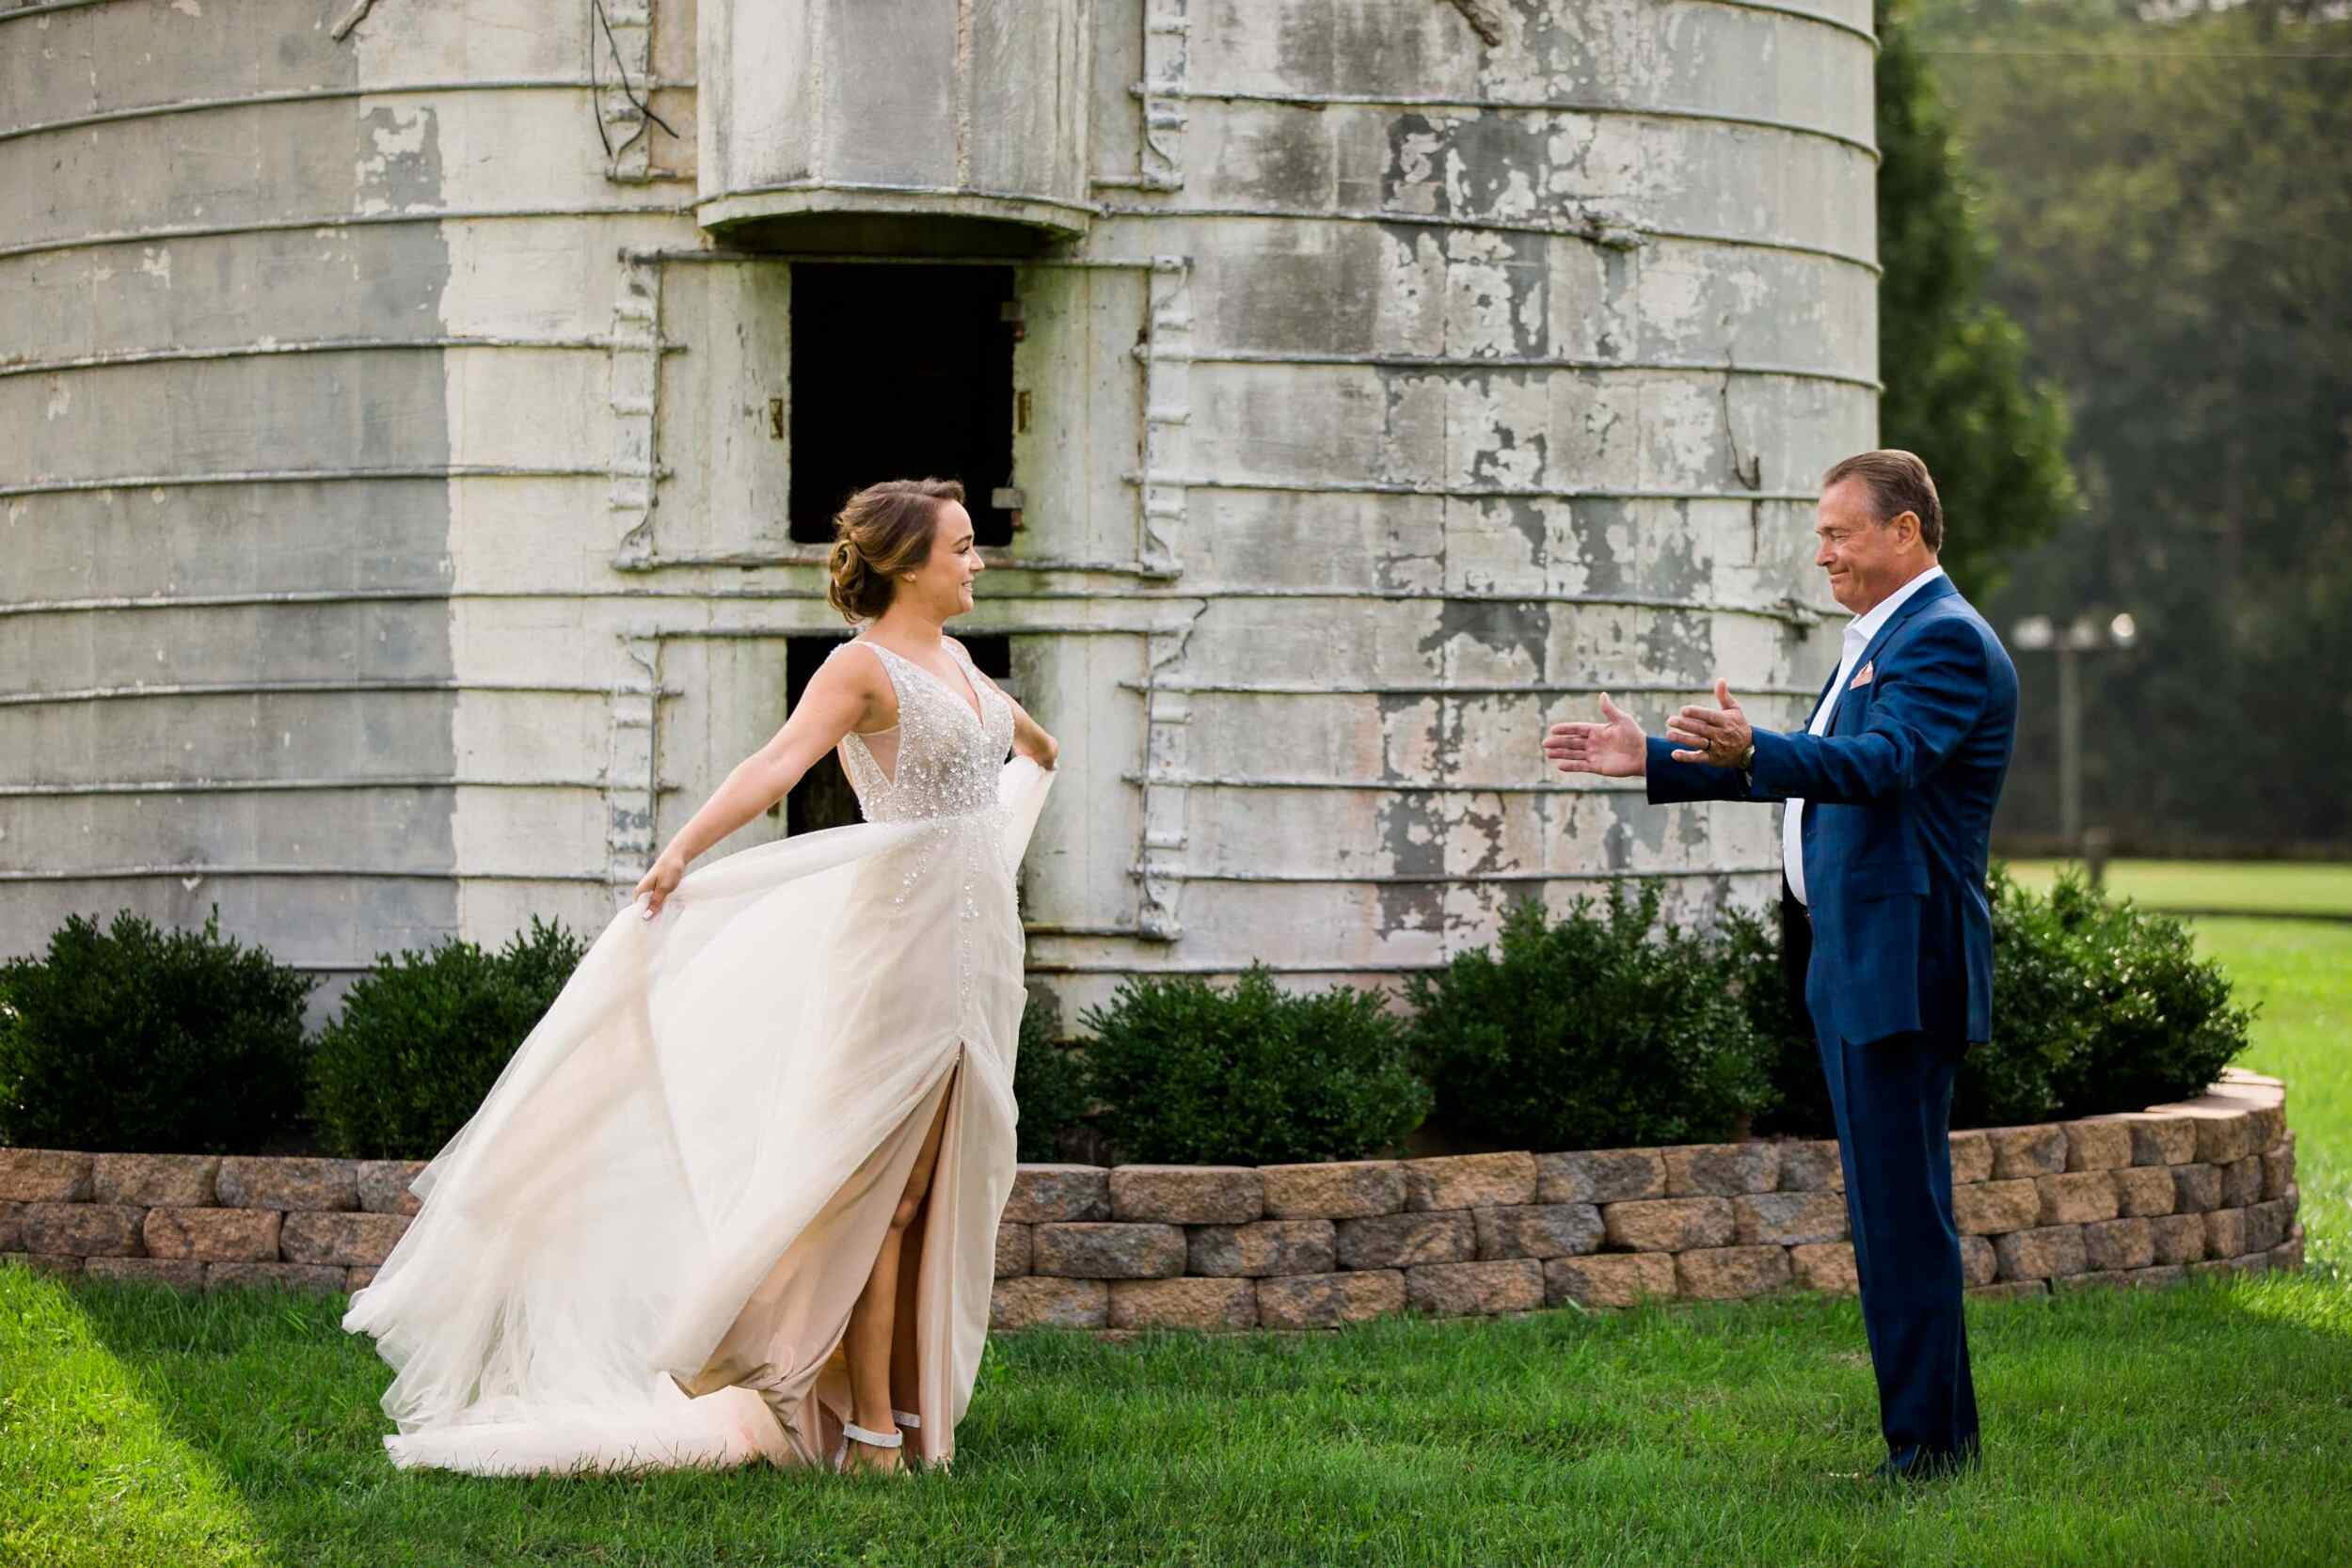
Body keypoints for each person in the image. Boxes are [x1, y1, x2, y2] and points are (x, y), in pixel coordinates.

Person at [344, 478, 1059, 1477]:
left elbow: (1036, 747)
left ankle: (896, 1411)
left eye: (973, 546)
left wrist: (1000, 808)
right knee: (874, 1195)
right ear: (904, 564)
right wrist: (681, 850)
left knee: (931, 1187)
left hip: (975, 957)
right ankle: (869, 1431)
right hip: (895, 952)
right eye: (961, 547)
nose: (976, 561)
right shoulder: (861, 669)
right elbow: (773, 765)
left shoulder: (966, 667)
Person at [1544, 450, 2017, 1481]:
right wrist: (1659, 760)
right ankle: (1938, 1438)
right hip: (1856, 959)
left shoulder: (1939, 640)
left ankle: (1928, 1455)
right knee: (1892, 1211)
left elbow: (1876, 764)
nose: (1823, 552)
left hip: (1902, 964)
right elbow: (1813, 770)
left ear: (1906, 531)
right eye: (1822, 533)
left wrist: (1751, 741)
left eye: (1840, 532)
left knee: (1901, 1217)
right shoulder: (1886, 636)